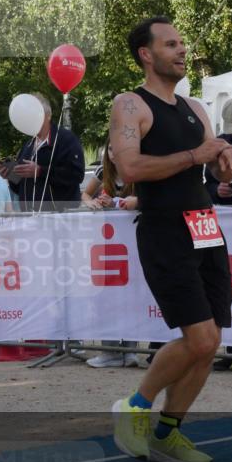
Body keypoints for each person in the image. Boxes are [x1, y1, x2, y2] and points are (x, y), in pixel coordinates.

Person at [110, 16, 232, 462]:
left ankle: (168, 433)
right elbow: (129, 170)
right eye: (171, 45)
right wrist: (197, 155)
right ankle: (135, 405)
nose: (182, 50)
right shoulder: (131, 105)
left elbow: (214, 168)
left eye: (182, 43)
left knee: (211, 342)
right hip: (165, 229)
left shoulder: (194, 108)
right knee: (200, 337)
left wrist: (227, 162)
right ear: (146, 55)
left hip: (205, 225)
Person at [82, 137, 140, 368]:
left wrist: (132, 201)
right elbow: (85, 194)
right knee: (106, 294)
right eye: (111, 150)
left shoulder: (138, 170)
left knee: (132, 294)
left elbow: (149, 198)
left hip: (133, 240)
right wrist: (93, 202)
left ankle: (130, 351)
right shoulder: (101, 171)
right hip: (107, 241)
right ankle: (110, 350)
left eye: (119, 149)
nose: (115, 153)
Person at [0, 93, 85, 211]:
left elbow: (76, 175)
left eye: (34, 114)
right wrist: (11, 176)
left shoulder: (65, 139)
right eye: (27, 115)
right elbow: (21, 188)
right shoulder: (27, 146)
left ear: (48, 116)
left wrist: (40, 171)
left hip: (59, 216)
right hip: (30, 217)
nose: (30, 118)